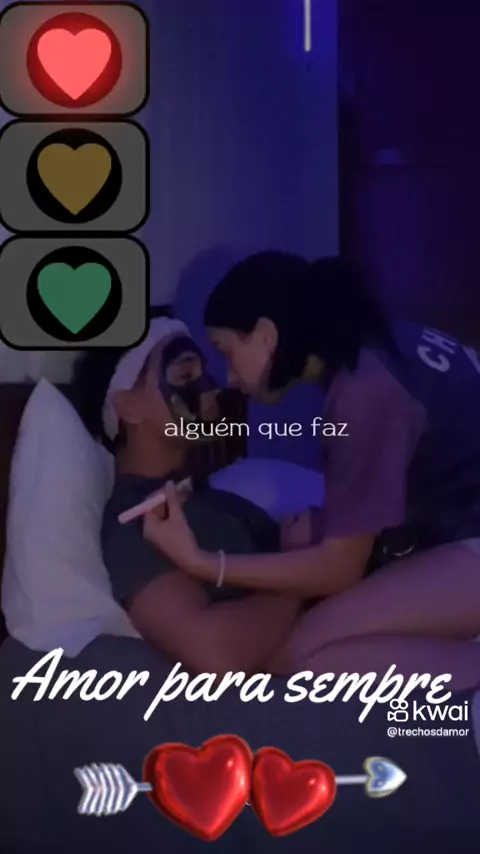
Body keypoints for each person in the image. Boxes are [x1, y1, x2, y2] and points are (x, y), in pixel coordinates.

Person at [139, 253, 480, 677]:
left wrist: (203, 562)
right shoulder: (376, 343)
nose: (229, 378)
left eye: (227, 352)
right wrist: (332, 529)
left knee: (300, 658)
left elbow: (339, 569)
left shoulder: (366, 390)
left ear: (266, 335)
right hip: (452, 527)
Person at [73, 316, 303, 677]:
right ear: (129, 407)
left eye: (203, 372)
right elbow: (214, 651)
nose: (211, 389)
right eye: (184, 375)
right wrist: (301, 572)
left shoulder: (208, 497)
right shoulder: (140, 521)